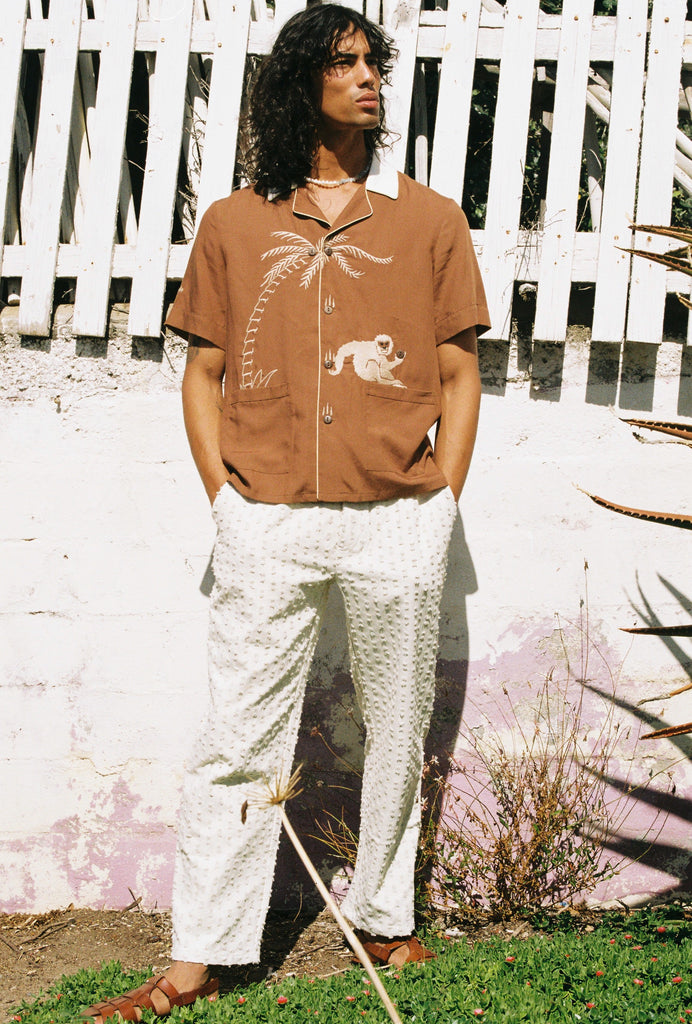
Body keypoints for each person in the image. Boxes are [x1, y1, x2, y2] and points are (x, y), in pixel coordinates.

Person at [83, 3, 490, 1019]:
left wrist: (443, 496)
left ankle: (388, 916)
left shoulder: (426, 220)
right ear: (298, 80)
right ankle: (200, 954)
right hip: (264, 518)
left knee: (395, 723)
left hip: (399, 511)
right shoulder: (234, 223)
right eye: (344, 64)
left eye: (373, 65)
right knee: (236, 734)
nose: (368, 81)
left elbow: (456, 369)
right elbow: (203, 372)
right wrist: (225, 498)